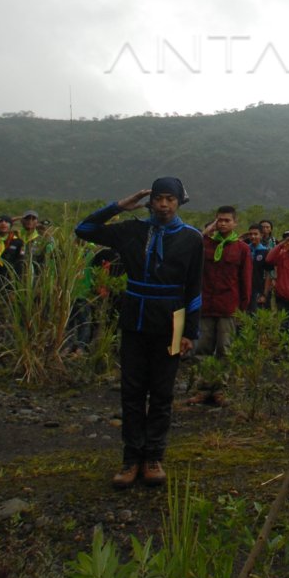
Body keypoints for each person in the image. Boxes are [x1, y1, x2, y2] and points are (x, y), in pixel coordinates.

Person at [74, 177, 202, 489]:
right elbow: (84, 230)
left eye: (170, 199)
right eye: (158, 198)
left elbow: (195, 288)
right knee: (131, 393)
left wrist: (190, 332)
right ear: (149, 201)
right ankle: (131, 459)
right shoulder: (132, 230)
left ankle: (153, 457)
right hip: (134, 321)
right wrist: (119, 206)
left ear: (179, 202)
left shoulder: (191, 238)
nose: (163, 204)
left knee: (162, 393)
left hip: (171, 324)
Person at [196, 206, 252, 360]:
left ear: (235, 223)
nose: (222, 224)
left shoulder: (242, 249)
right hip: (207, 304)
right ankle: (203, 379)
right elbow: (189, 245)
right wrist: (207, 232)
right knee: (202, 347)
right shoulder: (205, 244)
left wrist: (242, 308)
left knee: (225, 348)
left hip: (228, 306)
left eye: (227, 220)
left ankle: (221, 380)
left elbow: (245, 280)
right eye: (219, 220)